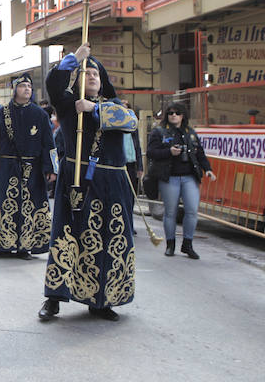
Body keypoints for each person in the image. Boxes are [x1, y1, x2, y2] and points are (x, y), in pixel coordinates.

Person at [39, 43, 138, 322]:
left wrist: (94, 108)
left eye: (95, 72)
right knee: (67, 236)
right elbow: (52, 82)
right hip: (78, 180)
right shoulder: (68, 104)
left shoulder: (114, 105)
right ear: (79, 79)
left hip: (112, 183)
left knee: (109, 238)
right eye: (86, 72)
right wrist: (74, 58)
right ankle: (54, 298)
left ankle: (102, 300)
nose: (91, 76)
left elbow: (130, 122)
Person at [0, 73, 57, 257]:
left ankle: (26, 245)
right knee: (8, 205)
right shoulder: (2, 113)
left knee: (30, 206)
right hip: (8, 167)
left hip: (33, 168)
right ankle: (5, 244)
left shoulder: (40, 114)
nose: (27, 89)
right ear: (15, 89)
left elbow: (49, 143)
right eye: (23, 85)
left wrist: (51, 168)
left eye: (29, 86)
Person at [147, 102, 216, 259]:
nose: (173, 115)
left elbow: (200, 154)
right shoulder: (159, 132)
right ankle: (170, 244)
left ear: (182, 115)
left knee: (192, 210)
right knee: (170, 212)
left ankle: (187, 244)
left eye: (177, 113)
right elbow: (151, 152)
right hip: (169, 177)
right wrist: (169, 152)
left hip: (189, 176)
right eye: (170, 113)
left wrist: (208, 169)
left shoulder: (190, 132)